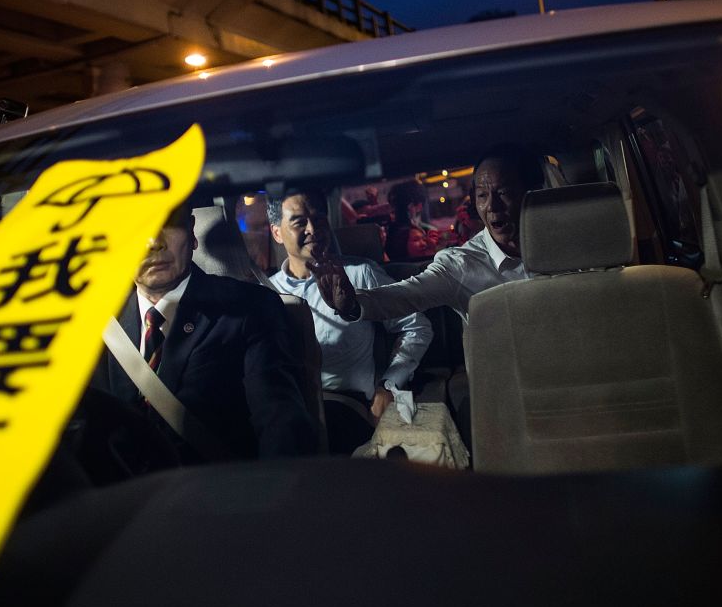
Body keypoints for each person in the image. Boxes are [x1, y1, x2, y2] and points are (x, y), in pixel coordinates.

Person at [91, 202, 319, 464]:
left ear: (192, 233)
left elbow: (279, 417)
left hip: (212, 491)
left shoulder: (248, 308)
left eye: (167, 223)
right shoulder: (95, 325)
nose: (153, 241)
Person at [267, 191, 432, 454]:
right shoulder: (267, 293)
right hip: (291, 410)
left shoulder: (358, 274)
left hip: (346, 406)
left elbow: (416, 327)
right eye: (299, 222)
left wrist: (389, 385)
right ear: (277, 233)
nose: (313, 229)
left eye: (319, 220)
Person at [312, 143, 544, 324]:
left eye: (503, 192)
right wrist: (352, 305)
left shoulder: (570, 243)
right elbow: (406, 295)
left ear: (532, 192)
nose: (492, 206)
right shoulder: (460, 264)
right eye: (482, 195)